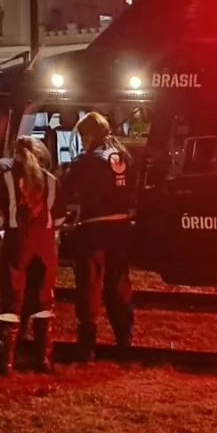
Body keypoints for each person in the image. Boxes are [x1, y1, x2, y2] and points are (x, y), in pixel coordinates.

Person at [0, 135, 65, 374]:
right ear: (39, 154)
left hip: (17, 243)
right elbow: (59, 217)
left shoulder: (5, 178)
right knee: (44, 298)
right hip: (46, 244)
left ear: (15, 155)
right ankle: (44, 360)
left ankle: (5, 363)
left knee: (10, 298)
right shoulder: (52, 181)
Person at [60, 111, 136, 362]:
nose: (82, 142)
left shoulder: (87, 161)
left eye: (83, 137)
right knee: (119, 285)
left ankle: (87, 346)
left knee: (90, 287)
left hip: (94, 230)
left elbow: (68, 189)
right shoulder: (124, 156)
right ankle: (125, 340)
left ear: (90, 135)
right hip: (121, 229)